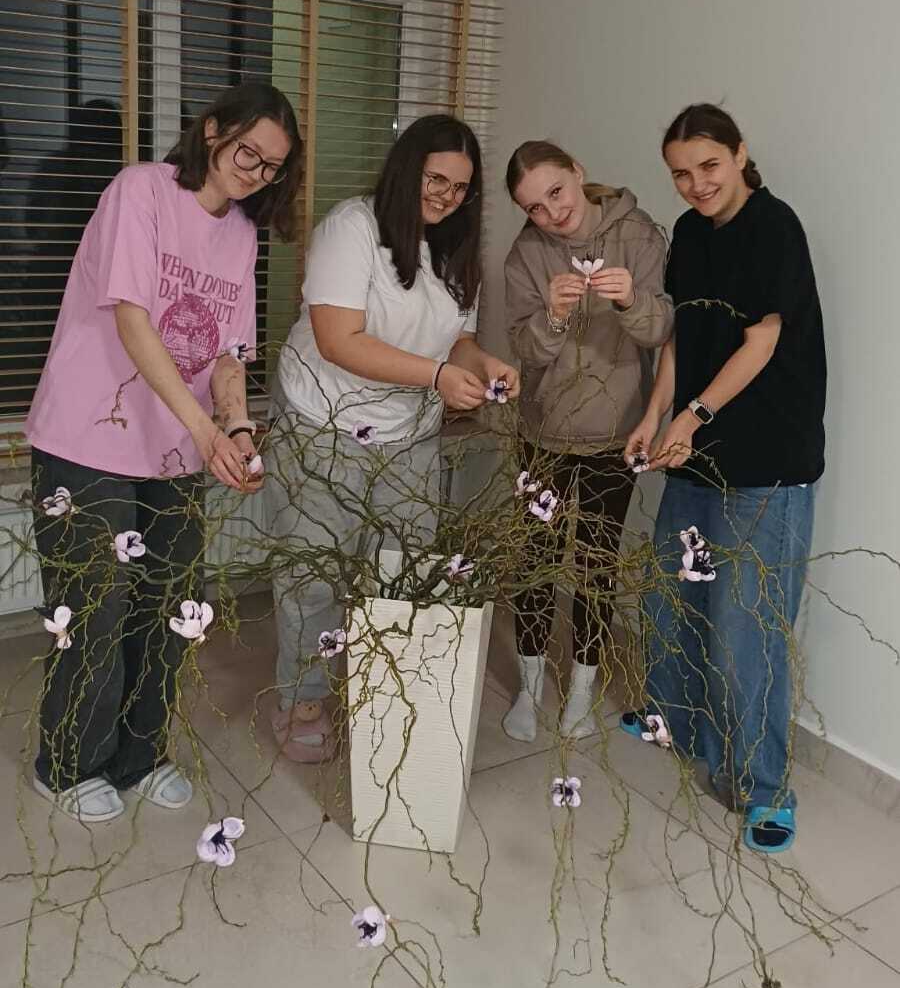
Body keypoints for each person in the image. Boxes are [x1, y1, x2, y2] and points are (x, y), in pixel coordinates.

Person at [26, 81, 303, 822]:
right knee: (95, 604)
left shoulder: (240, 233)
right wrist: (204, 429)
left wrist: (236, 429)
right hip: (87, 438)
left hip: (176, 449)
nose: (256, 173)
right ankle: (67, 765)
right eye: (248, 153)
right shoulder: (140, 191)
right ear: (212, 132)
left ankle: (138, 755)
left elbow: (228, 353)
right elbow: (133, 320)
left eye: (272, 166)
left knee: (169, 601)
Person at [266, 112, 519, 762]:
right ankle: (302, 698)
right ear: (407, 170)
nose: (447, 196)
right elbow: (337, 339)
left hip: (409, 433)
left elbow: (457, 338)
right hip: (323, 422)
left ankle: (384, 692)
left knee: (403, 570)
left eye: (460, 187)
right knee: (314, 574)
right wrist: (437, 376)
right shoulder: (353, 228)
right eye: (436, 179)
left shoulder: (455, 249)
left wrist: (483, 364)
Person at [622, 104, 826, 856]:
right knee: (675, 598)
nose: (696, 184)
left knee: (748, 630)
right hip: (695, 457)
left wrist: (693, 415)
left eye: (708, 165)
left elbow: (761, 341)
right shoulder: (688, 234)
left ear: (741, 155)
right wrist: (655, 414)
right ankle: (676, 724)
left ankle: (763, 787)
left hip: (767, 466)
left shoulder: (775, 227)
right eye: (680, 173)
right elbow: (681, 334)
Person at [503, 140, 673, 741]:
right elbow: (524, 351)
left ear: (578, 171)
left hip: (614, 434)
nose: (552, 213)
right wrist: (550, 316)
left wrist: (629, 300)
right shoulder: (527, 253)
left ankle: (581, 688)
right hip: (543, 433)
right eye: (535, 207)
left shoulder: (640, 235)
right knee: (534, 560)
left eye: (556, 192)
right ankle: (528, 688)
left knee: (596, 566)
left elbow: (662, 332)